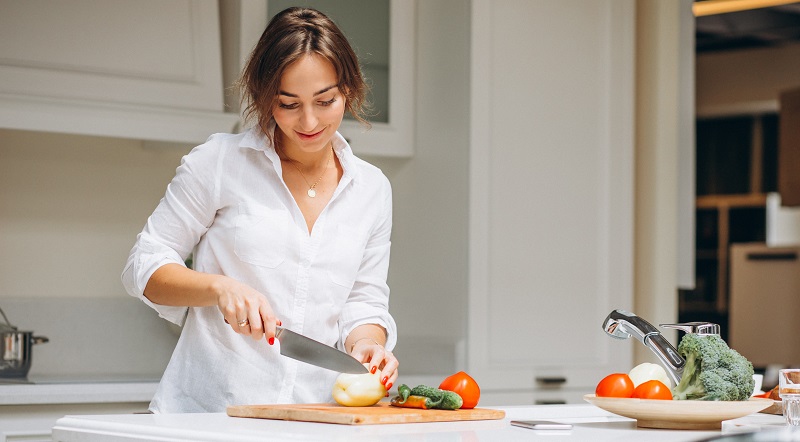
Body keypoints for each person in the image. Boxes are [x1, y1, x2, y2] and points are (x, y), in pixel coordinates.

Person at [121, 6, 399, 413]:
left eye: (325, 101)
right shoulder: (219, 162)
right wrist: (219, 287)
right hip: (208, 417)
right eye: (288, 104)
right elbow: (143, 266)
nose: (309, 121)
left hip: (312, 420)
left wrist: (369, 345)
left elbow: (364, 300)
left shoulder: (372, 188)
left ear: (349, 91)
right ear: (265, 96)